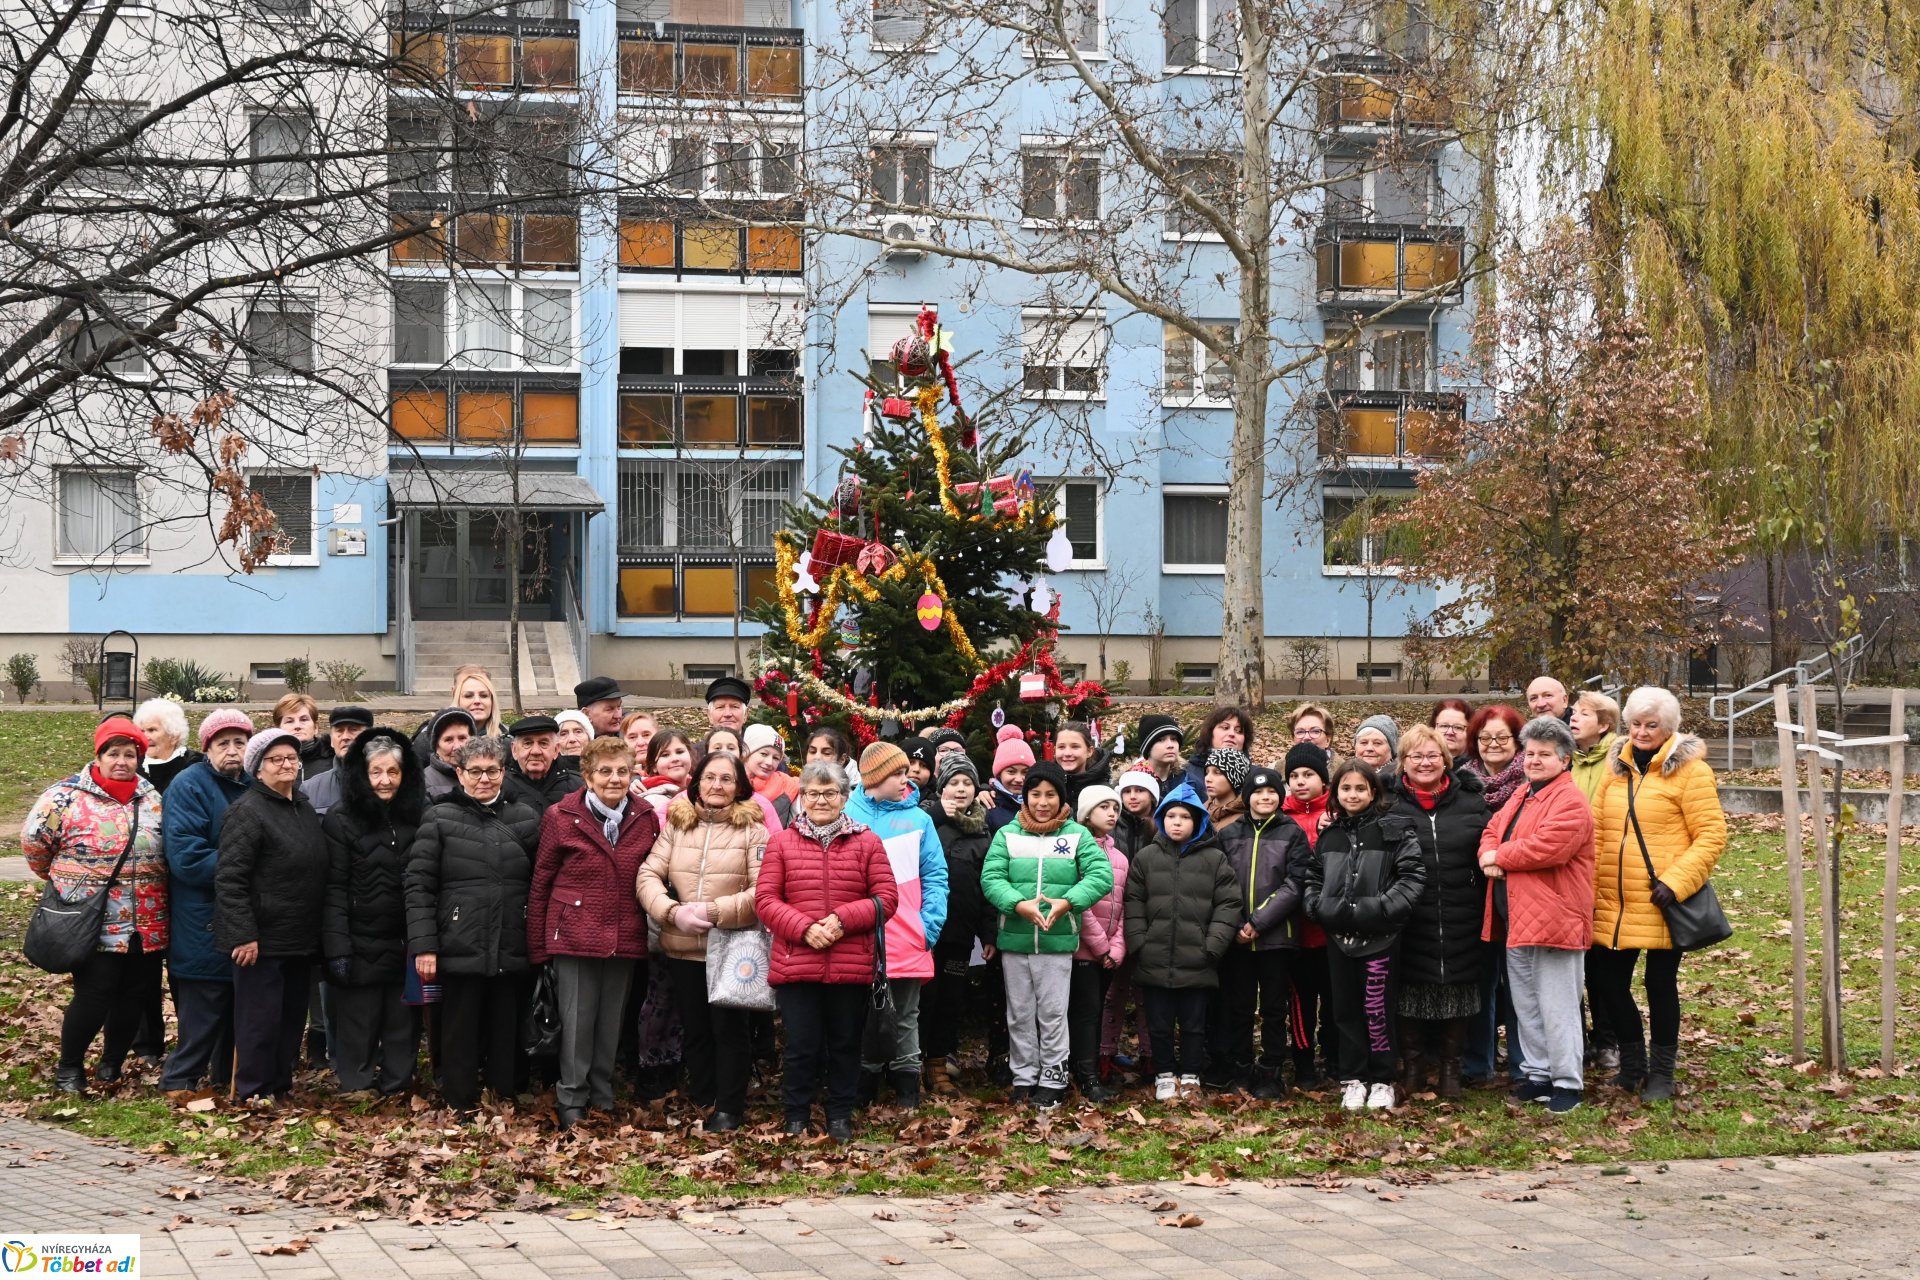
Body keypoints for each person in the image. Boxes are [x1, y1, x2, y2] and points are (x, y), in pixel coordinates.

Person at [1590, 686, 1726, 1103]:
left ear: (1668, 728)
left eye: (1652, 725)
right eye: (1636, 724)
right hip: (1615, 897)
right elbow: (1596, 830)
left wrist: (1677, 881)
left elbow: (1711, 835)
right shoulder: (1616, 769)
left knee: (1659, 983)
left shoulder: (1691, 772)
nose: (1642, 732)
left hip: (1663, 898)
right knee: (1607, 982)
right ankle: (1633, 1066)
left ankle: (1662, 1073)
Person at [23, 717, 168, 1095]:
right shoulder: (65, 797)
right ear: (99, 754)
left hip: (146, 918)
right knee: (95, 993)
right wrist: (70, 882)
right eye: (113, 753)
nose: (122, 761)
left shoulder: (151, 798)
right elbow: (35, 845)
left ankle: (111, 1064)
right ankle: (69, 1069)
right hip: (91, 918)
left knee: (134, 994)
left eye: (130, 754)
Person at [756, 762, 898, 1142]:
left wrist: (841, 920)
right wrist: (804, 929)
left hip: (850, 964)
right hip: (796, 963)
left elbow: (886, 899)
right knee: (801, 1046)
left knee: (845, 1045)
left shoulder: (867, 842)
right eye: (813, 793)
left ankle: (839, 1116)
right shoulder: (781, 842)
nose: (821, 800)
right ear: (802, 797)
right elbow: (766, 901)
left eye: (830, 793)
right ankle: (796, 1116)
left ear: (844, 797)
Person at [528, 736, 659, 1129]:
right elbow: (542, 882)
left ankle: (602, 1093)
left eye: (622, 770)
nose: (614, 779)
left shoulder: (646, 816)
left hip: (624, 932)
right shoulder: (560, 816)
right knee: (577, 1021)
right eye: (605, 771)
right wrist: (538, 947)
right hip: (574, 934)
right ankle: (572, 1096)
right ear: (587, 775)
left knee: (610, 1021)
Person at [406, 736, 541, 1116]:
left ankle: (505, 1093)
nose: (485, 779)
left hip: (512, 940)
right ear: (460, 774)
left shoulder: (525, 818)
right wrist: (425, 945)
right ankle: (459, 1097)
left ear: (503, 772)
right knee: (458, 1027)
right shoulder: (439, 817)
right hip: (458, 941)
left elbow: (540, 881)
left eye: (492, 770)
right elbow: (418, 885)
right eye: (475, 771)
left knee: (506, 1024)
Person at [636, 751, 767, 1131]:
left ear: (739, 786)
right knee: (694, 1028)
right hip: (681, 945)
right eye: (710, 777)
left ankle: (729, 1106)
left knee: (729, 1029)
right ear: (697, 782)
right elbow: (648, 875)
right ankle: (704, 1097)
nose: (717, 786)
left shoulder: (753, 829)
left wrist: (715, 911)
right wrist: (671, 911)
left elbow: (763, 890)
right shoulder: (678, 824)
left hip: (730, 947)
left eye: (727, 779)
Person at [1479, 716, 1595, 1114]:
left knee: (1558, 1004)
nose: (1534, 760)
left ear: (1564, 760)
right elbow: (1493, 828)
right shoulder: (1524, 794)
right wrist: (1487, 853)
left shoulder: (1570, 800)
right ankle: (1538, 1074)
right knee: (1527, 1003)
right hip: (1518, 919)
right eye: (1529, 754)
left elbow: (1550, 847)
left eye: (1544, 755)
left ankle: (1567, 1082)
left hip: (1556, 918)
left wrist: (1499, 858)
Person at [981, 761, 1114, 1109]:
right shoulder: (1007, 835)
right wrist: (1017, 905)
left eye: (1050, 795)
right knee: (1020, 1011)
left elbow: (1100, 876)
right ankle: (1024, 1076)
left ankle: (1053, 1077)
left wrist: (1068, 902)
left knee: (1053, 1012)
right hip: (1015, 939)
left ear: (1061, 797)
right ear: (1025, 797)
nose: (1042, 802)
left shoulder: (1077, 836)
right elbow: (992, 879)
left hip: (1057, 940)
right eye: (1035, 794)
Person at [215, 728, 330, 1102]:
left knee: (290, 1019)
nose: (286, 765)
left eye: (292, 759)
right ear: (258, 769)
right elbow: (230, 878)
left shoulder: (303, 806)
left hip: (299, 937)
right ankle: (252, 1090)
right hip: (261, 940)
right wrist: (242, 933)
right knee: (258, 1022)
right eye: (276, 760)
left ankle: (279, 1086)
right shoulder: (247, 811)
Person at [1305, 759, 1426, 1111]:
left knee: (1376, 1009)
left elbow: (1412, 876)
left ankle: (1383, 1078)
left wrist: (1381, 909)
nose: (1353, 794)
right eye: (1346, 788)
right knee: (1344, 1011)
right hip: (1339, 938)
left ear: (1373, 792)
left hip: (1381, 938)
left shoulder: (1392, 831)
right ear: (1336, 792)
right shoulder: (1330, 836)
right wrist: (1318, 907)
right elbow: (1313, 877)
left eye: (1360, 788)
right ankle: (1354, 1078)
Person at [1388, 723, 1491, 1100]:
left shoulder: (1470, 801)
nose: (1425, 762)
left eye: (1433, 755)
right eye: (1416, 756)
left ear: (1446, 760)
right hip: (1409, 914)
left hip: (1461, 910)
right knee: (1410, 991)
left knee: (1460, 988)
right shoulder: (1388, 804)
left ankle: (1451, 1068)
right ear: (1403, 762)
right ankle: (1413, 1067)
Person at [320, 728, 424, 1097]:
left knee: (402, 1020)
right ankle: (357, 1084)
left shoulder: (418, 816)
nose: (384, 781)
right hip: (358, 937)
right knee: (357, 1020)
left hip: (406, 937)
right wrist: (337, 947)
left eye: (392, 772)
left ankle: (397, 1083)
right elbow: (332, 887)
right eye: (375, 772)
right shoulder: (341, 819)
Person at [157, 708, 254, 1099]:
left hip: (246, 920)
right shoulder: (188, 785)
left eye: (239, 743)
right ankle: (178, 1084)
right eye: (223, 744)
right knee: (203, 1014)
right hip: (202, 920)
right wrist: (252, 864)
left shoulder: (255, 784)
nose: (232, 751)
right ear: (207, 748)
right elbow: (187, 858)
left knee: (237, 1014)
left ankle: (223, 1084)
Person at [846, 742, 949, 1109]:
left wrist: (928, 926)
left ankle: (908, 1086)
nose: (907, 779)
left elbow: (936, 875)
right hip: (856, 937)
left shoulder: (919, 820)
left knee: (906, 1014)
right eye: (898, 774)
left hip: (906, 935)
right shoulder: (846, 815)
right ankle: (866, 1080)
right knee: (861, 1014)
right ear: (875, 778)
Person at [1122, 782, 1236, 1102]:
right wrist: (1139, 943)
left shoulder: (1214, 859)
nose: (1177, 822)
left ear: (1197, 821)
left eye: (1185, 817)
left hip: (1198, 959)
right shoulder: (1146, 858)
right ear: (1161, 818)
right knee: (1158, 1024)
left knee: (1193, 1024)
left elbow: (1228, 904)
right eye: (1171, 815)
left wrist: (1212, 945)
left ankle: (1190, 1073)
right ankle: (1163, 1074)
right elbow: (1133, 901)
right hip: (1154, 957)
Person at [1215, 765, 1308, 1100]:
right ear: (1247, 797)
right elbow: (1222, 881)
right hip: (1237, 939)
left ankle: (1271, 1071)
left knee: (1273, 1008)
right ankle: (1239, 1069)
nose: (1265, 797)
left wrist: (1258, 921)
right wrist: (1238, 922)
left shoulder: (1291, 832)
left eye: (1271, 792)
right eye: (1258, 793)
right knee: (1238, 1007)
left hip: (1276, 938)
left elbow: (1295, 883)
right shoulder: (1229, 834)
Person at [920, 753, 995, 1097]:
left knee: (950, 999)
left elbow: (987, 889)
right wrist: (937, 813)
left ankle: (938, 1065)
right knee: (923, 999)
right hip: (924, 934)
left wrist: (988, 933)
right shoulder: (926, 821)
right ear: (941, 787)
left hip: (960, 935)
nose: (961, 789)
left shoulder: (983, 832)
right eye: (954, 783)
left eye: (967, 783)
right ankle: (910, 1063)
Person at [1067, 785, 1127, 1103]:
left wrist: (1116, 949)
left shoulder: (1119, 857)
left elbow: (1123, 908)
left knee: (1095, 1011)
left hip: (1106, 954)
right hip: (1083, 951)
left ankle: (1088, 1071)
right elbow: (1080, 904)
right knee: (1085, 1013)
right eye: (1104, 807)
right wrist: (1101, 946)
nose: (1112, 813)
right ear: (1087, 813)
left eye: (1114, 808)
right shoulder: (1076, 851)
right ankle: (1086, 1076)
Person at [1282, 743, 1333, 1088]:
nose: (1301, 782)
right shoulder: (1281, 818)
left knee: (1334, 999)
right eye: (1294, 776)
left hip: (1331, 928)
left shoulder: (1335, 813)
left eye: (1308, 775)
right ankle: (1302, 1060)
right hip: (1295, 928)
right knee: (1300, 1001)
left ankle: (1335, 1056)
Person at [300, 706, 375, 815]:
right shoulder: (310, 789)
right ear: (331, 741)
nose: (345, 737)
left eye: (353, 730)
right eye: (339, 730)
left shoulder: (386, 783)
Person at [504, 715, 582, 812]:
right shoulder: (498, 787)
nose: (535, 751)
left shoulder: (579, 787)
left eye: (543, 743)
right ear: (514, 750)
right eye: (527, 743)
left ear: (556, 749)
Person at [1464, 705, 1527, 809]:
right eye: (1485, 738)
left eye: (1502, 737)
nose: (1493, 745)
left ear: (1517, 742)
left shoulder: (1532, 778)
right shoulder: (1462, 782)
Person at [135, 698, 201, 794]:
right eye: (142, 731)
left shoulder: (195, 766)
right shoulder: (134, 765)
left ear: (174, 736)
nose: (145, 737)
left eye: (152, 730)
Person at [1181, 706, 1254, 793]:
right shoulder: (1187, 774)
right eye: (1225, 727)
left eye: (1238, 731)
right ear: (1210, 732)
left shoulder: (1255, 776)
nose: (1232, 734)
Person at [1569, 691, 1621, 802]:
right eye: (1574, 712)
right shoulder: (1563, 757)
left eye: (1584, 714)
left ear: (1602, 726)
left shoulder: (1621, 757)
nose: (1573, 718)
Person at [1053, 721, 1114, 813]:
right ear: (1055, 751)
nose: (1067, 753)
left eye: (1075, 747)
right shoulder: (1048, 786)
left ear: (1089, 751)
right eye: (1061, 747)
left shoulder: (1103, 791)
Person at [1201, 748, 1251, 856]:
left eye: (1217, 773)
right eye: (1207, 772)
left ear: (1235, 776)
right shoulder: (1199, 811)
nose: (1208, 778)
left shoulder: (1244, 820)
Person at [744, 724, 801, 817]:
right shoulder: (729, 781)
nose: (769, 762)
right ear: (746, 753)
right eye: (764, 754)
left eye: (776, 758)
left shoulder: (784, 783)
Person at [985, 727, 1034, 833]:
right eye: (1011, 772)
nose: (1019, 779)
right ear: (999, 774)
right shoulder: (988, 805)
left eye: (1025, 772)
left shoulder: (1039, 803)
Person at [636, 729, 695, 816]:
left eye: (679, 752)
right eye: (665, 755)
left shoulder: (701, 788)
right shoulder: (653, 801)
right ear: (654, 766)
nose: (675, 759)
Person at [421, 708, 476, 800]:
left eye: (462, 738)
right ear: (436, 747)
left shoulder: (488, 775)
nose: (457, 747)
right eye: (448, 740)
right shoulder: (423, 783)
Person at [274, 692, 332, 777]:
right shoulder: (268, 764)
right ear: (278, 729)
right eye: (289, 721)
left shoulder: (334, 761)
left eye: (304, 720)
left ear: (316, 727)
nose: (297, 726)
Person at [1112, 770, 1159, 857]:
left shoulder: (1164, 825)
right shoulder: (1112, 824)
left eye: (1140, 790)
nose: (1132, 796)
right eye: (1127, 791)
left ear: (1152, 795)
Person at [450, 665, 505, 738]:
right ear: (454, 694)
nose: (477, 701)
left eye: (484, 695)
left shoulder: (509, 740)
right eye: (468, 696)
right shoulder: (435, 737)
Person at [1135, 714, 1185, 789]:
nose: (1170, 745)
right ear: (1147, 748)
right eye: (1161, 740)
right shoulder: (1131, 785)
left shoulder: (1188, 781)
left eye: (1174, 739)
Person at [1429, 699, 1475, 769]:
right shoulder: (1418, 764)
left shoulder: (1479, 770)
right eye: (1444, 726)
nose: (1450, 732)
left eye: (1458, 727)